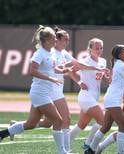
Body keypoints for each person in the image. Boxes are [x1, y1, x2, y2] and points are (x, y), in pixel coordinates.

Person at [0, 26, 71, 154]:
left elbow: (53, 69)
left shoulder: (51, 53)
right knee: (59, 121)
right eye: (54, 38)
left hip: (44, 93)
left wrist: (63, 70)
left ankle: (2, 133)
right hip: (39, 93)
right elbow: (32, 71)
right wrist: (50, 79)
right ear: (47, 40)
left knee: (31, 124)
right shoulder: (39, 53)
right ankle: (62, 152)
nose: (56, 40)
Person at [68, 38, 110, 150]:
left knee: (81, 125)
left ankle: (65, 144)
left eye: (101, 48)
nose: (99, 50)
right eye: (96, 48)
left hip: (94, 97)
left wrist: (107, 77)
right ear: (90, 48)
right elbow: (70, 71)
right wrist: (79, 82)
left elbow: (101, 78)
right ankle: (88, 143)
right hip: (86, 97)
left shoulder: (103, 61)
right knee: (103, 121)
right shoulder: (85, 61)